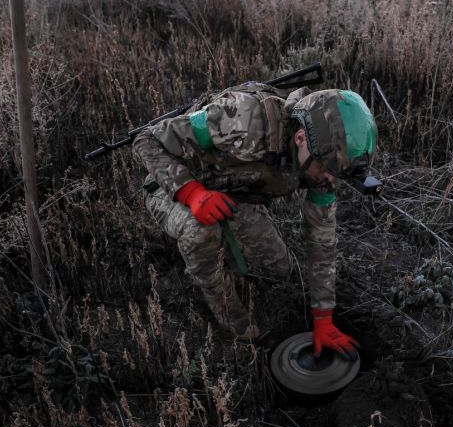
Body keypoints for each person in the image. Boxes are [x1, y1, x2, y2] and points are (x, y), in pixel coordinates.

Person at [133, 82, 376, 359]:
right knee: (200, 231)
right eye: (328, 170)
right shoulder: (239, 117)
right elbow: (146, 140)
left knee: (281, 270)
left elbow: (321, 239)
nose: (330, 179)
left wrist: (323, 317)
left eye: (338, 174)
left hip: (231, 195)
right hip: (171, 187)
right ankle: (232, 320)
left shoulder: (325, 161)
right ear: (300, 139)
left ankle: (224, 241)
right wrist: (192, 194)